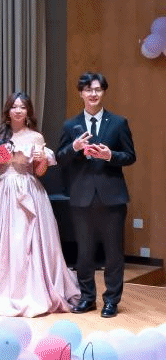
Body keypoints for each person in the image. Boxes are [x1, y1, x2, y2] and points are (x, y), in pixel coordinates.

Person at [0, 92, 80, 317]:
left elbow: (40, 172)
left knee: (26, 241)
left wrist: (41, 160)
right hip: (0, 190)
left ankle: (28, 289)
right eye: (14, 107)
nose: (18, 111)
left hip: (28, 190)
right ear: (8, 111)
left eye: (22, 107)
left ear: (28, 111)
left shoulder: (36, 137)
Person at [56, 72, 136, 318]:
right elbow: (60, 159)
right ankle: (87, 298)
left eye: (98, 89)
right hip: (81, 198)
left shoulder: (119, 123)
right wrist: (74, 147)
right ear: (81, 93)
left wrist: (110, 155)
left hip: (112, 198)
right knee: (84, 252)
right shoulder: (70, 125)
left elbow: (130, 156)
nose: (93, 94)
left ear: (103, 92)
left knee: (113, 253)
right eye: (89, 90)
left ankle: (111, 300)